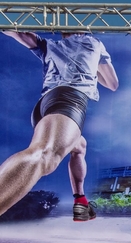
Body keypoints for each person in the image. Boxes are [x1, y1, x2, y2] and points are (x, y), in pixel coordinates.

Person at [0, 31, 119, 220]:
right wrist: (92, 64)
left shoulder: (48, 46)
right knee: (45, 155)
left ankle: (80, 201)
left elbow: (19, 33)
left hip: (46, 105)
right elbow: (112, 83)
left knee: (79, 146)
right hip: (69, 100)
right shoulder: (94, 43)